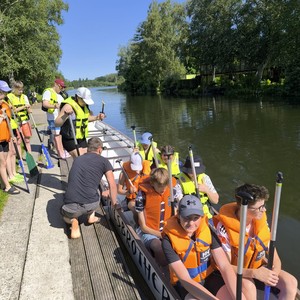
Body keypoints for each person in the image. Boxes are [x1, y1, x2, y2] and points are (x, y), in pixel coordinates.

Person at [214, 183, 298, 300]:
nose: (264, 210)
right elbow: (226, 267)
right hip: (237, 272)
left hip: (257, 267)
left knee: (291, 282)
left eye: (264, 205)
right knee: (249, 287)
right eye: (260, 207)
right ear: (245, 208)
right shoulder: (224, 229)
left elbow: (275, 256)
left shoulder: (260, 222)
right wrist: (254, 273)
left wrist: (274, 273)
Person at [162, 195, 245, 300]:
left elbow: (224, 266)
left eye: (195, 218)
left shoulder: (208, 231)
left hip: (209, 277)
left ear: (201, 216)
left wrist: (238, 297)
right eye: (186, 218)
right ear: (178, 215)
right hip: (186, 285)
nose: (191, 223)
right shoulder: (168, 241)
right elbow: (185, 279)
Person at [61, 137, 118, 239]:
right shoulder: (104, 161)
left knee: (65, 215)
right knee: (97, 187)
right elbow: (112, 184)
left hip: (71, 208)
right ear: (99, 149)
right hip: (91, 204)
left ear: (88, 148)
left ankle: (73, 221)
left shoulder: (77, 159)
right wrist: (114, 204)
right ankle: (91, 216)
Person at [135, 167, 183, 267]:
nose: (164, 189)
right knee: (159, 248)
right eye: (160, 186)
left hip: (167, 229)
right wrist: (162, 235)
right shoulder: (142, 196)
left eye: (165, 186)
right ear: (152, 184)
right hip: (149, 231)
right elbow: (143, 227)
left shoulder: (171, 191)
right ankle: (162, 271)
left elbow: (176, 211)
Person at [55, 87, 105, 158]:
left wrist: (97, 117)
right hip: (70, 138)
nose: (85, 103)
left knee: (87, 158)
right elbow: (56, 123)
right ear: (77, 97)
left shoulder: (84, 106)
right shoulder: (68, 105)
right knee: (80, 159)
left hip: (81, 137)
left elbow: (85, 118)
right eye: (84, 101)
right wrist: (65, 115)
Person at [0, 80, 20, 195]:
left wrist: (12, 136)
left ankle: (3, 183)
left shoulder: (5, 105)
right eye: (3, 93)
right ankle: (7, 186)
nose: (4, 96)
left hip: (5, 138)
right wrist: (1, 118)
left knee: (4, 160)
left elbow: (9, 122)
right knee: (2, 163)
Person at [42, 78, 70, 159]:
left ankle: (62, 150)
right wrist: (54, 106)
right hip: (52, 118)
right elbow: (45, 104)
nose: (63, 89)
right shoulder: (48, 92)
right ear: (56, 85)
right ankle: (60, 154)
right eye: (61, 87)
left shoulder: (59, 95)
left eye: (63, 88)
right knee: (57, 135)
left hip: (60, 118)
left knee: (60, 135)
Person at [7, 80, 32, 154]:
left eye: (22, 89)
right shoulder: (9, 97)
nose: (21, 91)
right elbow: (12, 111)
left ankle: (29, 155)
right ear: (14, 88)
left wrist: (29, 109)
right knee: (19, 141)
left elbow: (29, 109)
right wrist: (24, 106)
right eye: (19, 90)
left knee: (27, 139)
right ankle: (20, 158)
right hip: (16, 122)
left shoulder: (24, 97)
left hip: (25, 121)